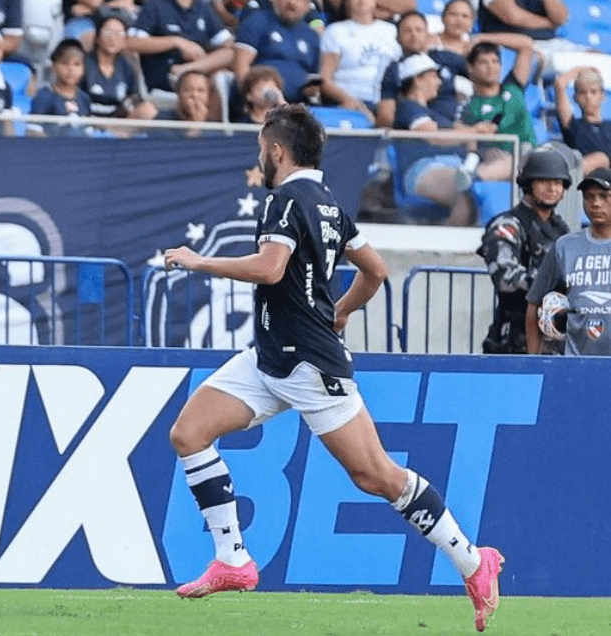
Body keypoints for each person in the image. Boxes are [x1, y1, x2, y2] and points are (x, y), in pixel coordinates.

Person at [161, 104, 504, 633]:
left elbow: (271, 267)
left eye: (261, 146)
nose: (260, 153)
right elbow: (375, 269)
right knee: (189, 433)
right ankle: (233, 561)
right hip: (272, 357)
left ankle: (474, 561)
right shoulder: (326, 204)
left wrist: (198, 261)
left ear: (276, 149)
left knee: (376, 476)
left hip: (309, 363)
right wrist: (340, 311)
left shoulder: (285, 198)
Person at [478, 148, 572, 354]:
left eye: (558, 183)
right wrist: (555, 286)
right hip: (514, 342)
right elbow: (505, 276)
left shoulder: (561, 230)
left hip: (556, 343)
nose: (552, 188)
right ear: (528, 183)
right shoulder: (507, 225)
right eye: (544, 181)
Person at [390, 52, 492, 226]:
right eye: (434, 76)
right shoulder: (408, 107)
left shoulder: (434, 114)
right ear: (418, 79)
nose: (439, 81)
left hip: (458, 165)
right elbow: (434, 137)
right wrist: (474, 131)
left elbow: (458, 135)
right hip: (425, 168)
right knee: (468, 192)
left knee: (484, 185)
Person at [526, 167, 611, 356]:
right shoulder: (565, 246)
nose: (596, 203)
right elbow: (534, 304)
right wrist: (533, 360)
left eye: (604, 196)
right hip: (576, 364)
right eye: (589, 197)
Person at [127, 0, 234, 95]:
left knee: (231, 53)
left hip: (195, 75)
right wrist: (176, 42)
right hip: (162, 78)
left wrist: (200, 54)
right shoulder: (155, 5)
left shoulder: (204, 8)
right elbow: (131, 43)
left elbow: (227, 43)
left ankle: (188, 69)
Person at [318, 0, 400, 124]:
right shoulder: (335, 31)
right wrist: (353, 103)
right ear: (347, 0)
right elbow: (325, 79)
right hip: (348, 101)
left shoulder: (391, 30)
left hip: (386, 103)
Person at [233, 0, 319, 105]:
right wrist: (251, 99)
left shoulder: (311, 35)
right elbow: (241, 67)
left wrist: (312, 91)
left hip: (296, 105)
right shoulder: (256, 21)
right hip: (260, 103)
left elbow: (313, 78)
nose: (292, 2)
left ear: (308, 5)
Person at [376, 12, 467, 129]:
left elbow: (480, 75)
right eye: (408, 31)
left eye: (419, 30)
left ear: (428, 34)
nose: (414, 34)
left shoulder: (446, 57)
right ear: (397, 38)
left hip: (457, 125)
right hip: (421, 130)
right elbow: (386, 116)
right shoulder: (394, 69)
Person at [459, 41, 536, 165]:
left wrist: (482, 37)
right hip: (498, 162)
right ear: (470, 68)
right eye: (483, 62)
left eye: (495, 61)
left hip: (529, 155)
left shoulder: (514, 87)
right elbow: (468, 140)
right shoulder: (469, 107)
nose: (491, 66)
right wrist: (484, 152)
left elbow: (526, 46)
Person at [82, 13, 156, 120]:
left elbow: (135, 97)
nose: (113, 38)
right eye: (108, 32)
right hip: (87, 119)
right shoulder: (84, 62)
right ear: (97, 37)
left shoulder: (127, 66)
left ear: (125, 41)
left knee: (148, 109)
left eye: (119, 33)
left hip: (116, 123)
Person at [29, 38, 94, 135]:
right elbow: (33, 131)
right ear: (53, 67)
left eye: (77, 64)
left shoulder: (84, 99)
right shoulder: (43, 96)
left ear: (84, 69)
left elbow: (88, 132)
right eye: (64, 63)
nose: (71, 69)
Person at [555, 66, 611, 176]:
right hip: (580, 182)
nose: (588, 97)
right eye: (582, 92)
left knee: (602, 158)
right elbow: (560, 85)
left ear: (602, 96)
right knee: (600, 158)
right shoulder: (573, 126)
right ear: (575, 97)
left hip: (607, 183)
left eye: (593, 92)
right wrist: (582, 69)